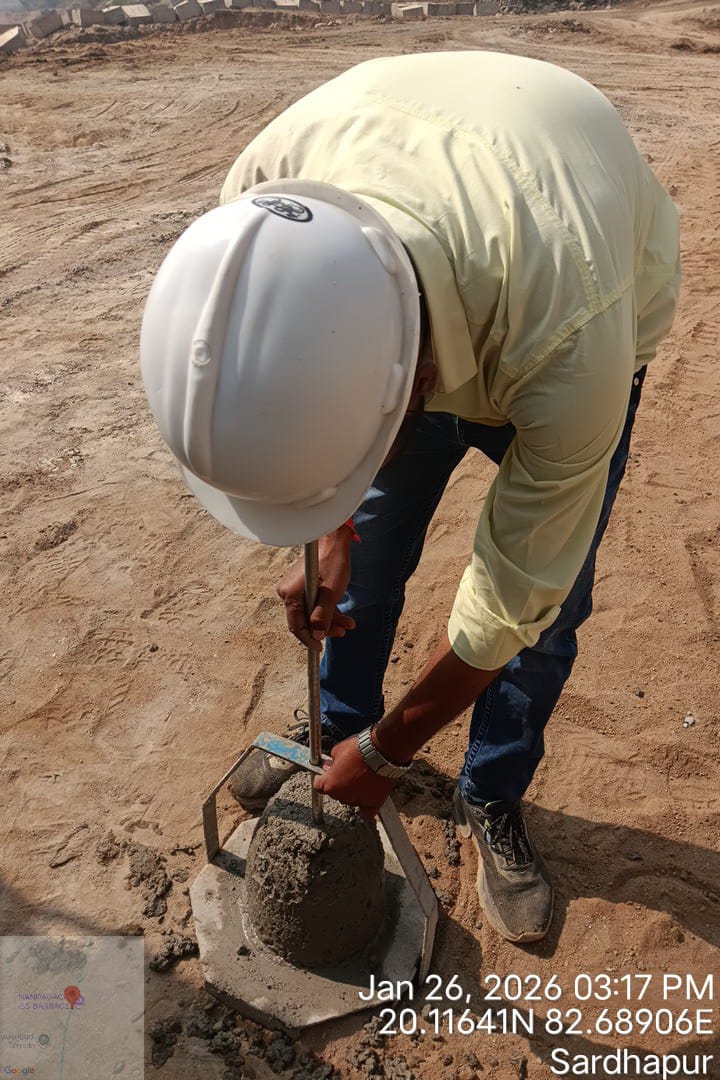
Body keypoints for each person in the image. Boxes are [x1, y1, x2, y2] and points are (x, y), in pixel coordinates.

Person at [141, 52, 680, 944]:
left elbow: (510, 599)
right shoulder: (260, 217)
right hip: (443, 220)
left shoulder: (570, 344)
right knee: (372, 549)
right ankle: (338, 727)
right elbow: (297, 419)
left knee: (545, 614)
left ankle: (490, 790)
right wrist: (329, 524)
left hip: (563, 275)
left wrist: (393, 756)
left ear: (415, 381)